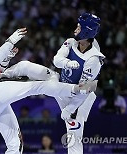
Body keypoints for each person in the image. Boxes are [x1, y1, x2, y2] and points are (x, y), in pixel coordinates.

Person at [0, 27, 97, 154]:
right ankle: (77, 89)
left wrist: (5, 60)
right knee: (37, 86)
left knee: (15, 144)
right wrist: (10, 40)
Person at [52, 12, 105, 154]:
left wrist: (70, 109)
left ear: (87, 32)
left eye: (79, 27)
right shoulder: (72, 41)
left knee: (73, 134)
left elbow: (84, 89)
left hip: (81, 98)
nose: (76, 30)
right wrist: (68, 63)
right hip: (63, 87)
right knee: (40, 74)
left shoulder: (93, 59)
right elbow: (56, 60)